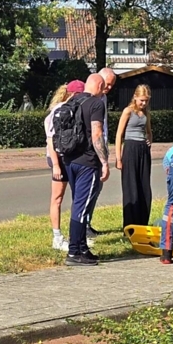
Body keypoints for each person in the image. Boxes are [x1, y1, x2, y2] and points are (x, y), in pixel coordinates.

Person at [62, 73, 109, 266]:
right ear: (98, 85)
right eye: (104, 86)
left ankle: (82, 248)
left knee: (78, 203)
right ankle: (74, 252)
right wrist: (104, 161)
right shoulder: (96, 104)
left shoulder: (71, 102)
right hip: (87, 163)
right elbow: (97, 134)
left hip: (69, 160)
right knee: (81, 208)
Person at [44, 81, 84, 251]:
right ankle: (57, 237)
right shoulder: (59, 112)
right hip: (58, 158)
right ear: (74, 95)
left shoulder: (74, 110)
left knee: (78, 197)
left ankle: (77, 236)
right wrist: (56, 166)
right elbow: (51, 139)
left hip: (69, 156)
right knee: (57, 198)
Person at [116, 84, 153, 228]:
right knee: (131, 186)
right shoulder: (128, 111)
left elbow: (149, 131)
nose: (144, 103)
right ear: (135, 97)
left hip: (143, 149)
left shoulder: (146, 113)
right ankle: (130, 223)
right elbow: (119, 134)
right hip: (130, 148)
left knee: (143, 185)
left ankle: (142, 221)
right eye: (141, 100)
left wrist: (149, 140)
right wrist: (118, 158)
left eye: (146, 101)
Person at [88, 68, 116, 238]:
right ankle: (82, 225)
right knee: (89, 187)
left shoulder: (103, 98)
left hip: (101, 146)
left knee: (98, 187)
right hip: (90, 149)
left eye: (112, 85)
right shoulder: (89, 98)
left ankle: (88, 222)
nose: (109, 88)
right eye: (107, 84)